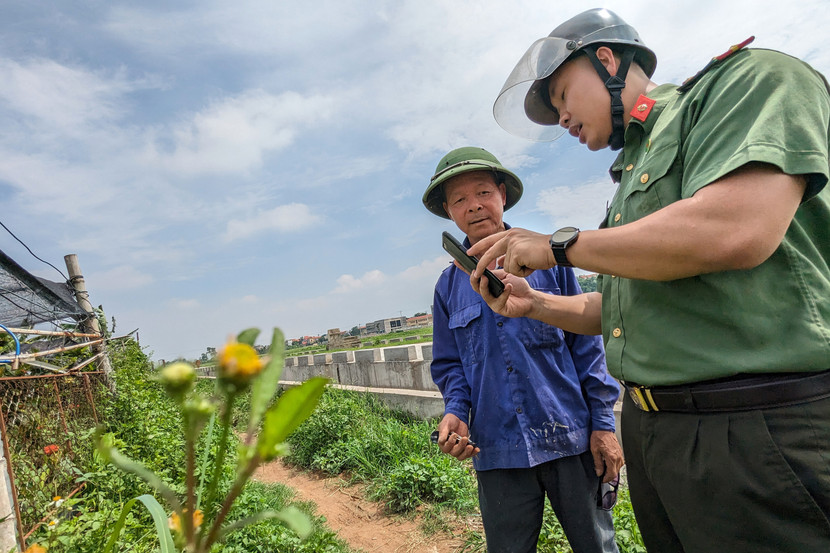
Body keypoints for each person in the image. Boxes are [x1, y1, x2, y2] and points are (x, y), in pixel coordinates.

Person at [466, 8, 830, 553]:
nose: (562, 118)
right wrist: (533, 304)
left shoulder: (747, 81)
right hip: (659, 431)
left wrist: (558, 246)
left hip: (756, 421)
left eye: (564, 95)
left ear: (607, 59)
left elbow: (739, 227)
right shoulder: (630, 178)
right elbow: (619, 312)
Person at [424, 146, 623, 553]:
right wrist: (455, 412)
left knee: (597, 546)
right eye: (459, 200)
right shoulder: (447, 289)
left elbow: (587, 346)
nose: (474, 207)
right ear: (449, 212)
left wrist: (603, 423)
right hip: (496, 449)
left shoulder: (547, 259)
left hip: (570, 435)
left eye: (482, 193)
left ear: (501, 194)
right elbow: (450, 366)